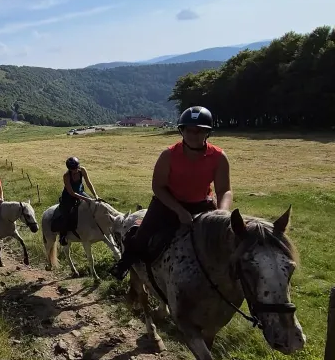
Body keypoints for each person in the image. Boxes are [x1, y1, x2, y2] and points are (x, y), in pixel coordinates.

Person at [111, 105, 233, 279]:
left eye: (199, 131)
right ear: (181, 131)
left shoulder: (219, 157)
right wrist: (180, 211)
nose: (194, 135)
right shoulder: (168, 155)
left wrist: (222, 213)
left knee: (223, 240)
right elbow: (158, 187)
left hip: (201, 204)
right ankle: (125, 263)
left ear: (208, 132)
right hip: (167, 203)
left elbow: (224, 190)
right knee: (143, 234)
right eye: (189, 130)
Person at [58, 156, 98, 245]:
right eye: (73, 169)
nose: (76, 170)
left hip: (80, 192)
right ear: (69, 169)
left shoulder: (82, 170)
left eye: (77, 168)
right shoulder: (66, 176)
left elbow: (88, 183)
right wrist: (86, 199)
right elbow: (72, 193)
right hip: (68, 197)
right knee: (66, 214)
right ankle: (63, 236)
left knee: (94, 205)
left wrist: (95, 195)